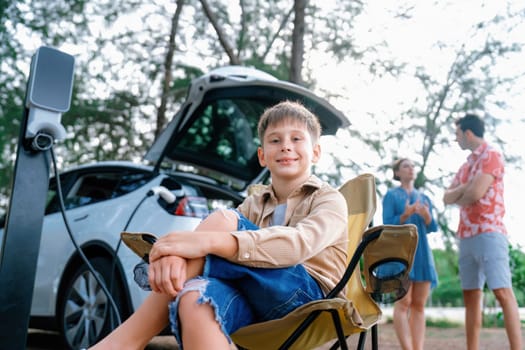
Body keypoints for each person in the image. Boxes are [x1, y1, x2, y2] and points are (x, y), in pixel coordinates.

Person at [89, 100, 349, 350]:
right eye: (275, 140)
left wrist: (204, 242)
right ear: (262, 156)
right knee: (194, 297)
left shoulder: (329, 199)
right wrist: (183, 253)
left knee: (224, 220)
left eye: (296, 138)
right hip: (252, 297)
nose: (285, 146)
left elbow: (299, 245)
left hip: (309, 298)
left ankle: (126, 341)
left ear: (315, 152)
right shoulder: (253, 204)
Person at [443, 113, 522, 350]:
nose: (456, 139)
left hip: (490, 233)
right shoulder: (465, 166)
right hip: (466, 236)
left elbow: (475, 194)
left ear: (468, 133)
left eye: (457, 134)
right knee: (470, 297)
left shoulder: (492, 155)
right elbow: (447, 197)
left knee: (502, 292)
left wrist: (463, 191)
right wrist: (466, 187)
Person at [381, 158, 438, 350]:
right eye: (406, 166)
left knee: (419, 305)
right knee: (403, 303)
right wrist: (405, 215)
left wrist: (427, 217)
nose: (411, 169)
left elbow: (433, 227)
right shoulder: (390, 196)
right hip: (401, 254)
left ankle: (418, 347)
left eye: (413, 166)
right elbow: (387, 224)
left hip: (422, 254)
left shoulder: (424, 197)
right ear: (397, 172)